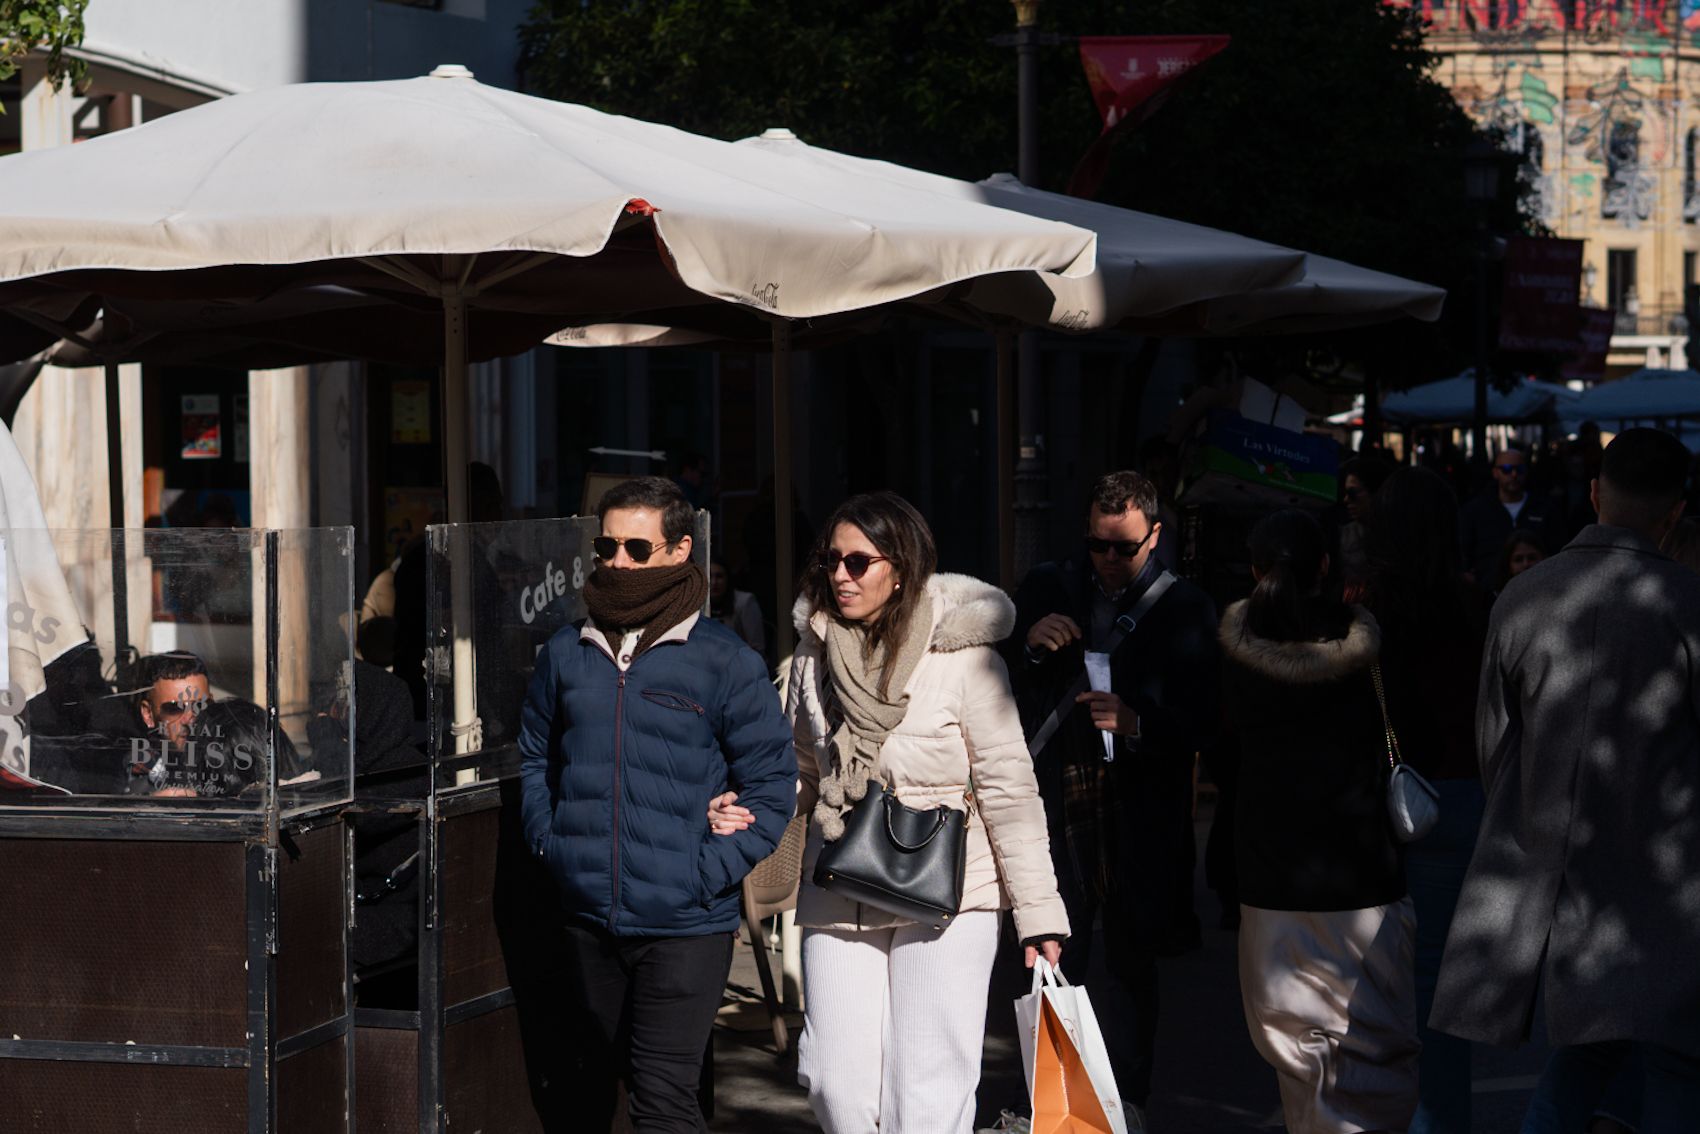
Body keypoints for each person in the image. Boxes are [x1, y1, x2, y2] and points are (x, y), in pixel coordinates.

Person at [1431, 428, 1700, 1132]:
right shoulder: (1687, 601)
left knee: (1584, 1056)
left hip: (1560, 871)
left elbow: (1496, 749)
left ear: (1593, 494)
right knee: (1675, 1064)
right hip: (1670, 879)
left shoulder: (1521, 596)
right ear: (1675, 512)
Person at [777, 491, 1068, 1134]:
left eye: (859, 561)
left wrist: (1038, 914)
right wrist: (746, 813)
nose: (841, 575)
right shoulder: (813, 654)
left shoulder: (965, 658)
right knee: (835, 1087)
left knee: (929, 1094)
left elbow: (1010, 789)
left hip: (950, 885)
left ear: (901, 568)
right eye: (832, 560)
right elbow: (799, 771)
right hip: (841, 878)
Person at [516, 476, 795, 1133]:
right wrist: (550, 843)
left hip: (685, 922)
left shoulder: (725, 661)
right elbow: (533, 757)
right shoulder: (566, 651)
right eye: (607, 547)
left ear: (679, 551)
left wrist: (709, 869)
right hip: (587, 913)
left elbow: (772, 783)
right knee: (596, 1092)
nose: (617, 562)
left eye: (637, 549)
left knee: (662, 1099)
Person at [1005, 470, 1220, 1126]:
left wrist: (1139, 725)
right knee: (1051, 954)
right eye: (1099, 544)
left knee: (1129, 969)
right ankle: (1056, 1105)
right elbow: (999, 679)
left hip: (1138, 810)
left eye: (1125, 547)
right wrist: (1031, 647)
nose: (1110, 559)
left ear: (1156, 536)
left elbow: (1206, 721)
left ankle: (1126, 1104)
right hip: (1057, 804)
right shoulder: (1049, 585)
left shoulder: (1186, 609)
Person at [1220, 508, 1419, 1134]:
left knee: (1300, 1067)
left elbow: (1218, 753)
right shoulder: (1372, 650)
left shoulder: (1232, 655)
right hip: (1364, 881)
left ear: (1254, 572)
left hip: (1269, 880)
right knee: (1374, 1059)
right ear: (1326, 567)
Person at [1363, 468, 1490, 1134]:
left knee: (1375, 991)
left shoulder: (1369, 612)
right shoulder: (1476, 606)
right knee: (1442, 992)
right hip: (1463, 794)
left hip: (1385, 799)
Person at [1458, 446, 1560, 581]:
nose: (1513, 474)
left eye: (1519, 469)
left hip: (1538, 587)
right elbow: (1463, 551)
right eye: (1506, 469)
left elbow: (1557, 547)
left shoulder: (1544, 508)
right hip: (1490, 591)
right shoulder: (1475, 510)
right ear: (1495, 472)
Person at [1337, 454, 1396, 600]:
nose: (1346, 499)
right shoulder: (1341, 537)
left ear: (1377, 492)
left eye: (1352, 493)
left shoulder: (1398, 537)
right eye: (1346, 493)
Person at [708, 559, 765, 659]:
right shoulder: (699, 603)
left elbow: (757, 648)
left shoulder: (745, 602)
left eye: (719, 576)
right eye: (710, 576)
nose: (714, 582)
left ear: (728, 579)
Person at [1489, 528, 1546, 597]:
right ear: (1508, 565)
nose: (1526, 564)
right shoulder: (1497, 598)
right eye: (1518, 560)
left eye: (1532, 558)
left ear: (1544, 559)